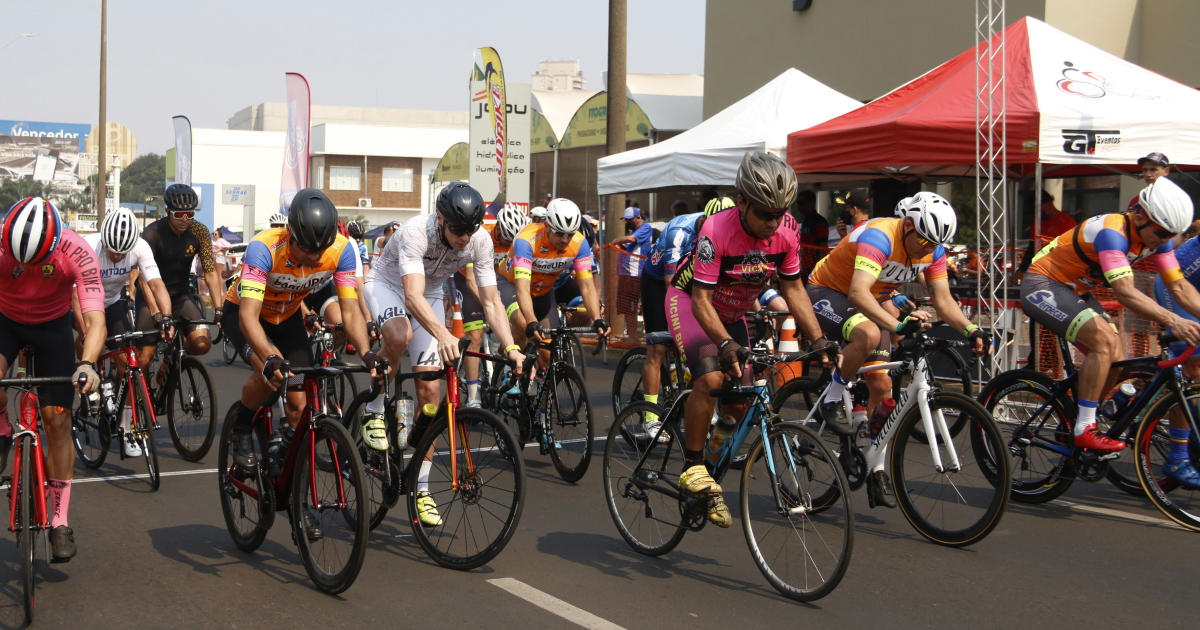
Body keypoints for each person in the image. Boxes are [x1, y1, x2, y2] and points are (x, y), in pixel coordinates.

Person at [667, 151, 834, 528]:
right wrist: (725, 345)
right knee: (711, 380)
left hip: (734, 311)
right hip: (692, 302)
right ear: (741, 201)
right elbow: (700, 300)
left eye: (779, 214)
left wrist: (819, 338)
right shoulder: (717, 230)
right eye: (763, 213)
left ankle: (711, 459)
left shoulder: (787, 231)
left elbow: (794, 289)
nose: (771, 223)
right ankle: (693, 469)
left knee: (740, 406)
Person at [808, 191, 990, 508]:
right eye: (924, 241)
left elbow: (944, 300)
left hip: (869, 302)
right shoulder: (879, 237)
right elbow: (858, 292)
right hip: (827, 291)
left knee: (882, 383)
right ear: (907, 225)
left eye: (935, 244)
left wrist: (972, 329)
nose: (929, 249)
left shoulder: (932, 250)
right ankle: (831, 398)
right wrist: (898, 325)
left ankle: (874, 466)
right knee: (866, 334)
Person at [363, 183, 525, 525]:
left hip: (432, 292)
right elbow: (410, 296)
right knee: (399, 334)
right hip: (388, 284)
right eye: (457, 230)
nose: (464, 238)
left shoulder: (480, 242)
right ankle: (374, 408)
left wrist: (511, 347)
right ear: (441, 219)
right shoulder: (414, 233)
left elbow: (492, 301)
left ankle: (420, 488)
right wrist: (444, 334)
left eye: (471, 230)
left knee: (431, 395)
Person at [224, 189, 381, 521]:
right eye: (308, 249)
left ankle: (292, 485)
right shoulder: (263, 248)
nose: (315, 257)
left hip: (288, 316)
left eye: (320, 250)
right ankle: (240, 427)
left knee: (298, 404)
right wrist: (269, 356)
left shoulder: (341, 250)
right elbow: (248, 318)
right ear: (291, 234)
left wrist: (367, 354)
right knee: (270, 378)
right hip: (247, 315)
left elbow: (350, 312)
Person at [1023, 176, 1200, 456]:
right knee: (1104, 341)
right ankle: (1084, 428)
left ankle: (1074, 419)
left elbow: (1178, 287)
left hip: (1077, 290)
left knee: (1116, 359)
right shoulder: (1112, 232)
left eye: (1171, 235)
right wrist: (1175, 321)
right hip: (1043, 283)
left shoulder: (1158, 240)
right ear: (1141, 217)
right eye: (1163, 233)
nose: (1167, 241)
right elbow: (1125, 292)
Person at [0, 197, 105, 562]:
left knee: (57, 419)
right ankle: (2, 426)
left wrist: (88, 363)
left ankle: (59, 521)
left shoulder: (76, 250)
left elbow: (94, 321)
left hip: (53, 327)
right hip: (5, 322)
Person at [82, 209, 175, 458]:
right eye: (112, 251)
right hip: (82, 302)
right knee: (86, 343)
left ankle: (126, 429)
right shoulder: (89, 247)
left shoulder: (140, 247)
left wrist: (166, 317)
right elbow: (72, 294)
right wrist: (87, 334)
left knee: (127, 362)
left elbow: (156, 284)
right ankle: (88, 383)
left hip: (111, 302)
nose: (117, 256)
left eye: (122, 253)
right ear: (103, 241)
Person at [640, 197, 735, 433]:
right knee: (657, 350)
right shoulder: (679, 232)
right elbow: (672, 283)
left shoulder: (723, 232)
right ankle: (650, 417)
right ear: (703, 219)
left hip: (692, 281)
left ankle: (695, 390)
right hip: (658, 281)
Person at [498, 197, 610, 373]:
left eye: (569, 234)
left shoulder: (579, 243)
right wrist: (531, 321)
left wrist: (597, 319)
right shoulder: (527, 240)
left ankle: (543, 394)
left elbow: (587, 286)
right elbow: (522, 287)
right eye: (559, 233)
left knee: (549, 353)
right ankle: (509, 369)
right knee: (522, 324)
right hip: (511, 284)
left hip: (543, 290)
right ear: (547, 225)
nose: (565, 240)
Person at [135, 184, 223, 372]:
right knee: (145, 358)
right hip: (151, 294)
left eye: (190, 215)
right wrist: (156, 312)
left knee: (202, 344)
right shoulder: (153, 233)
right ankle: (135, 399)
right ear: (167, 211)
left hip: (180, 295)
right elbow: (143, 278)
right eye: (179, 215)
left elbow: (210, 272)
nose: (185, 220)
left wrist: (219, 309)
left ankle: (170, 360)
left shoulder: (199, 231)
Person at [458, 203, 529, 407]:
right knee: (475, 335)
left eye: (511, 241)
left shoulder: (518, 243)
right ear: (497, 228)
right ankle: (473, 396)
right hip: (467, 278)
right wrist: (492, 311)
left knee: (520, 323)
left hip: (497, 280)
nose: (508, 244)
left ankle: (507, 371)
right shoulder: (480, 237)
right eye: (505, 239)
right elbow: (472, 281)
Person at [1012, 191, 1077, 284]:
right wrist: (1021, 270)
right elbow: (1031, 250)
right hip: (1041, 273)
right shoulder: (1037, 224)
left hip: (1063, 274)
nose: (1037, 213)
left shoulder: (1067, 223)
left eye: (1039, 209)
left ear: (1049, 203)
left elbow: (1073, 253)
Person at [610, 206, 654, 339]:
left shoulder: (645, 228)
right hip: (626, 273)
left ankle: (639, 335)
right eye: (626, 220)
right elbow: (630, 247)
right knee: (627, 308)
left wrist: (616, 240)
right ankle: (632, 335)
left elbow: (632, 240)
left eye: (630, 219)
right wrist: (621, 246)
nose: (627, 222)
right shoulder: (633, 232)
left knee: (633, 306)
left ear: (638, 218)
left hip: (635, 274)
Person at [797, 189, 828, 276]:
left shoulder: (819, 222)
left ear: (812, 202)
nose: (799, 206)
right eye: (798, 203)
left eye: (802, 203)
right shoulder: (806, 221)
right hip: (804, 266)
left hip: (814, 268)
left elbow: (824, 248)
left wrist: (818, 269)